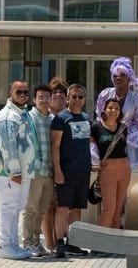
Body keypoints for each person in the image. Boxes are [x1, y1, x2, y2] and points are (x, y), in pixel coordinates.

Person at [0, 80, 36, 260]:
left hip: (21, 173)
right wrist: (14, 172)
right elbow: (7, 147)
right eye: (19, 92)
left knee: (16, 209)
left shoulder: (21, 113)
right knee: (9, 208)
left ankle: (13, 245)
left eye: (25, 91)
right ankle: (5, 245)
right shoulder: (8, 117)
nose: (23, 95)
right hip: (10, 174)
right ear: (11, 93)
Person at [51, 84, 91, 258]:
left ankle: (73, 243)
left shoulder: (87, 118)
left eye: (80, 97)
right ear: (67, 98)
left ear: (84, 100)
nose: (77, 100)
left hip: (83, 170)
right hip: (66, 171)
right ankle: (60, 243)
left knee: (76, 209)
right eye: (73, 96)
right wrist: (58, 171)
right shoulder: (60, 119)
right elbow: (55, 147)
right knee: (63, 208)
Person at [21, 84, 54, 257]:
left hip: (48, 172)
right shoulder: (27, 118)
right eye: (40, 96)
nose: (44, 100)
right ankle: (27, 243)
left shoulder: (53, 118)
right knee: (31, 209)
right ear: (34, 99)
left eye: (47, 96)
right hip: (33, 172)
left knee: (42, 210)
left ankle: (36, 242)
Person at [96, 57, 138, 169]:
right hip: (105, 139)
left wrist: (128, 136)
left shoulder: (135, 100)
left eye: (122, 75)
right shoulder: (105, 94)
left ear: (128, 78)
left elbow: (137, 123)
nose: (118, 77)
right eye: (115, 75)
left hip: (127, 144)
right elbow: (99, 116)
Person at [91, 98, 131, 228]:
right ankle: (102, 242)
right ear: (104, 109)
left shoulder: (123, 127)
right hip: (107, 168)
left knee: (118, 208)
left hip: (124, 168)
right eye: (110, 108)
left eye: (116, 108)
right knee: (109, 207)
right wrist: (95, 162)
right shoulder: (96, 127)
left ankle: (114, 243)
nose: (113, 111)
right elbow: (91, 147)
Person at [41, 77, 68, 254]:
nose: (58, 94)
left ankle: (60, 241)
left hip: (66, 168)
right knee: (48, 206)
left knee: (62, 206)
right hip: (47, 168)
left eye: (62, 92)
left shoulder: (69, 116)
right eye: (55, 92)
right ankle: (50, 243)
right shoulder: (44, 117)